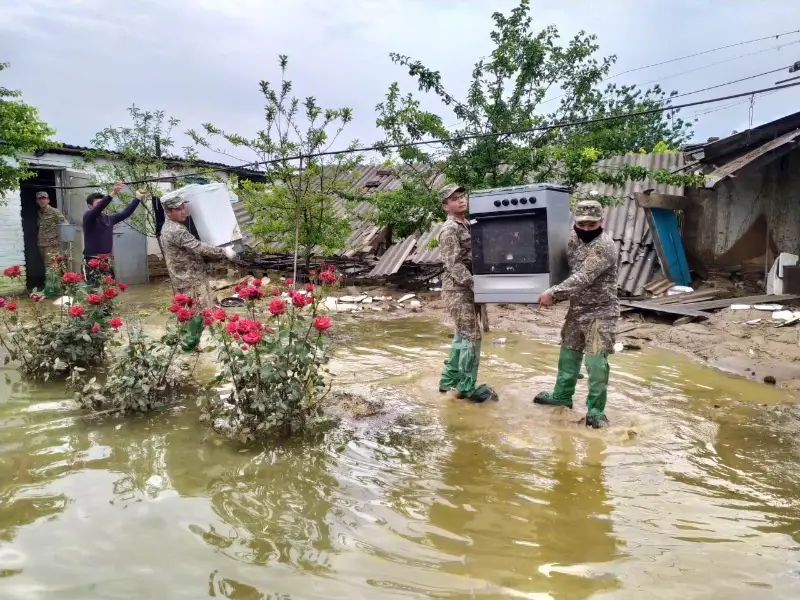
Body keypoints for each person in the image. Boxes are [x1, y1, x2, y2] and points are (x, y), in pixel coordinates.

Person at [534, 199, 618, 428]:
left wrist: (553, 293)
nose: (587, 229)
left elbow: (583, 278)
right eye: (582, 225)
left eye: (592, 225)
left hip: (601, 312)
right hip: (576, 309)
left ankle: (595, 411)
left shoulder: (604, 246)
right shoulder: (572, 239)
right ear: (576, 223)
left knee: (595, 362)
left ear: (602, 221)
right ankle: (562, 397)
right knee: (568, 354)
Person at [437, 183, 497, 403]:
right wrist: (475, 284)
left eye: (462, 196)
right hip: (457, 289)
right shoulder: (449, 229)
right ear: (446, 206)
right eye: (454, 199)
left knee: (462, 335)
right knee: (471, 337)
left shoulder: (468, 225)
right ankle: (466, 387)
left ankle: (448, 381)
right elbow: (452, 264)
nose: (461, 200)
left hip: (468, 289)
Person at [82, 181, 144, 285]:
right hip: (91, 260)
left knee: (109, 290)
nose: (103, 206)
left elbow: (125, 213)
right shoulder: (88, 217)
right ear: (90, 206)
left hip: (106, 260)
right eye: (98, 204)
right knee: (94, 291)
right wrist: (114, 192)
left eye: (103, 203)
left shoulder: (109, 219)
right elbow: (99, 207)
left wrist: (137, 198)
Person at [35, 190, 67, 266]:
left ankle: (55, 278)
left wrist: (58, 239)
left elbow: (65, 225)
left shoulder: (54, 211)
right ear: (37, 201)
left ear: (48, 200)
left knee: (52, 266)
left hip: (52, 246)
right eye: (40, 199)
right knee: (46, 266)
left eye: (44, 198)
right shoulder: (39, 213)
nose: (42, 201)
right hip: (41, 244)